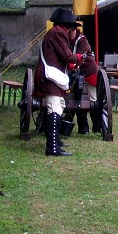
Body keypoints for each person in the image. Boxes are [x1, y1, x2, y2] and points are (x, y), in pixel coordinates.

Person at [34, 8, 83, 156]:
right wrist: (79, 57)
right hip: (51, 77)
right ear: (69, 27)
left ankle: (55, 143)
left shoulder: (55, 32)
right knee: (54, 108)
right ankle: (52, 148)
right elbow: (67, 56)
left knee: (58, 107)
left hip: (52, 76)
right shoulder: (59, 33)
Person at [68, 23, 101, 134]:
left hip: (88, 71)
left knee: (92, 100)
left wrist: (72, 65)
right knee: (75, 97)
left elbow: (80, 57)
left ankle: (97, 126)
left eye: (71, 31)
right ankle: (83, 127)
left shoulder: (82, 41)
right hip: (73, 73)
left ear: (74, 30)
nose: (69, 34)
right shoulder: (64, 39)